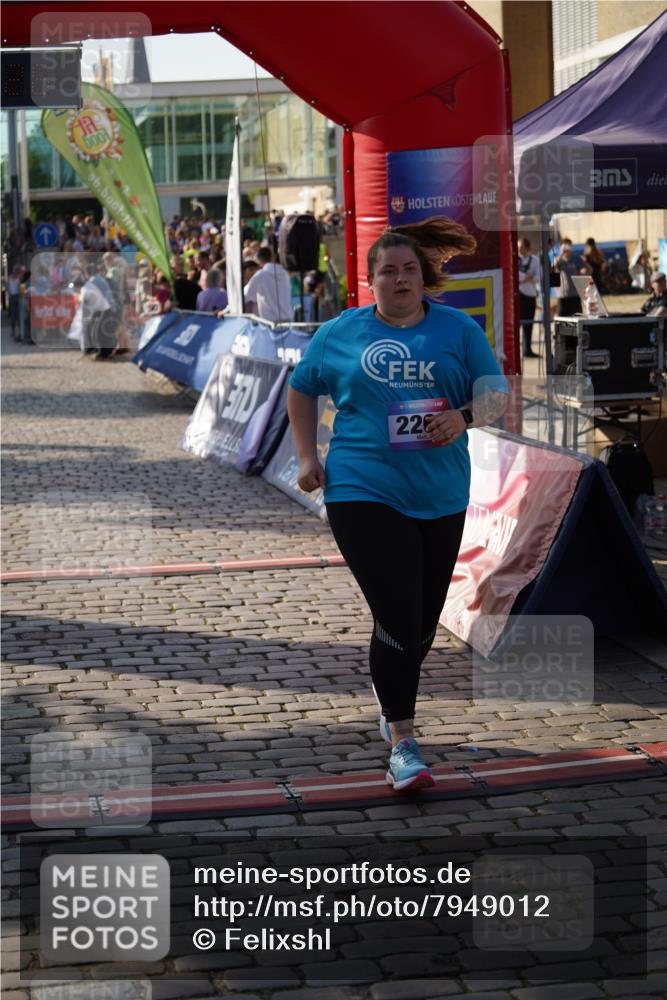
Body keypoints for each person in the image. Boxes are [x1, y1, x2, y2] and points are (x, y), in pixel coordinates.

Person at [287, 216, 507, 793]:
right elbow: (301, 385)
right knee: (398, 609)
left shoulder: (458, 330)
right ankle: (403, 744)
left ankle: (392, 697)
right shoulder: (339, 332)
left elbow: (496, 394)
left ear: (423, 276)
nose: (400, 278)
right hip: (363, 488)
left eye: (410, 269)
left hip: (440, 494)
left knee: (418, 623)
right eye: (388, 271)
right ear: (370, 281)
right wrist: (308, 458)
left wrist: (462, 418)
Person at [243, 246, 292, 323]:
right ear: (272, 257)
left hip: (270, 323)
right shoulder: (285, 273)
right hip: (288, 320)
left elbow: (245, 295)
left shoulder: (260, 275)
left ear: (259, 260)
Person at [554, 238, 590, 316]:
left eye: (568, 245)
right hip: (562, 296)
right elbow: (554, 268)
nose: (566, 248)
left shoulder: (577, 258)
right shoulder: (558, 259)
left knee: (577, 318)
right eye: (564, 246)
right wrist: (561, 254)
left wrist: (584, 271)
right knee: (561, 320)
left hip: (575, 295)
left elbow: (589, 269)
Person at [517, 238, 540, 358]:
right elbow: (514, 275)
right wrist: (526, 277)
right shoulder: (515, 259)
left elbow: (538, 276)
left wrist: (523, 278)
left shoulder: (535, 259)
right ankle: (516, 350)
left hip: (530, 295)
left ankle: (528, 349)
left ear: (527, 247)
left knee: (529, 323)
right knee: (517, 324)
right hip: (518, 295)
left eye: (521, 247)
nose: (519, 250)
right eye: (518, 247)